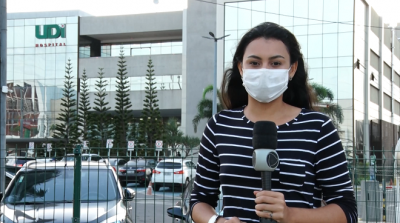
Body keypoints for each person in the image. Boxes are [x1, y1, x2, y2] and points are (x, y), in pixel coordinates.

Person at [190, 22, 357, 223]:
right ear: (241, 68)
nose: (264, 70)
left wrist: (290, 215)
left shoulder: (319, 128)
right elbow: (199, 200)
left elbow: (347, 210)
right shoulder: (219, 126)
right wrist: (216, 221)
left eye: (275, 63)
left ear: (292, 69)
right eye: (254, 63)